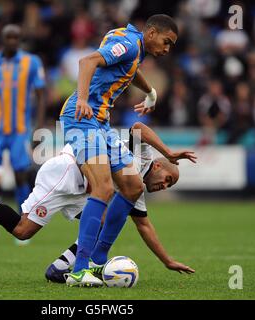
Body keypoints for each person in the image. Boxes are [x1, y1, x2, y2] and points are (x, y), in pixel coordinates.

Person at [0, 121, 196, 281]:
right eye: (168, 179)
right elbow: (138, 128)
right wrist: (169, 151)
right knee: (23, 231)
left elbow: (144, 226)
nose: (164, 186)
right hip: (66, 173)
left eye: (169, 186)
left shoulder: (133, 191)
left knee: (106, 219)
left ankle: (59, 269)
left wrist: (167, 261)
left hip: (85, 191)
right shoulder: (144, 157)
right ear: (160, 165)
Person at [59, 14, 179, 286]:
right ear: (151, 33)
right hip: (82, 117)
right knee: (103, 188)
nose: (167, 48)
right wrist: (81, 99)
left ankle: (98, 262)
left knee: (133, 185)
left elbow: (129, 69)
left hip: (100, 122)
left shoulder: (133, 46)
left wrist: (150, 92)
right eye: (166, 41)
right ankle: (78, 271)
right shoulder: (128, 43)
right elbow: (86, 61)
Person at [0, 24, 46, 230]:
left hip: (19, 129)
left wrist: (39, 127)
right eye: (9, 38)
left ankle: (22, 221)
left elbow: (41, 96)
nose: (12, 42)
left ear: (20, 40)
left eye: (16, 38)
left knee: (21, 175)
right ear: (2, 39)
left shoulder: (31, 62)